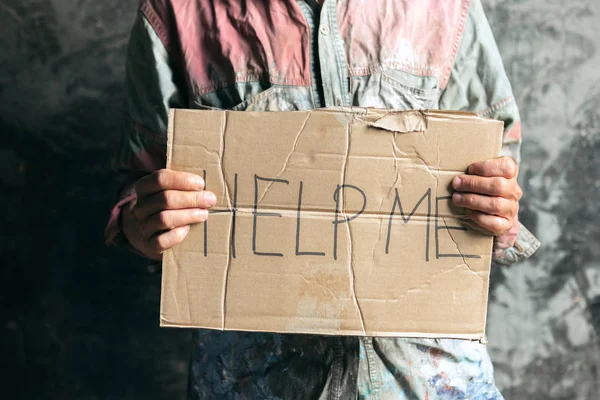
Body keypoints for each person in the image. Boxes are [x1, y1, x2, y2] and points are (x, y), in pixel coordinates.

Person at [105, 0, 540, 398]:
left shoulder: (445, 6)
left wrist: (497, 207)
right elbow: (140, 186)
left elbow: (498, 164)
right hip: (256, 381)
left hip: (430, 381)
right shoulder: (178, 11)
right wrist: (141, 223)